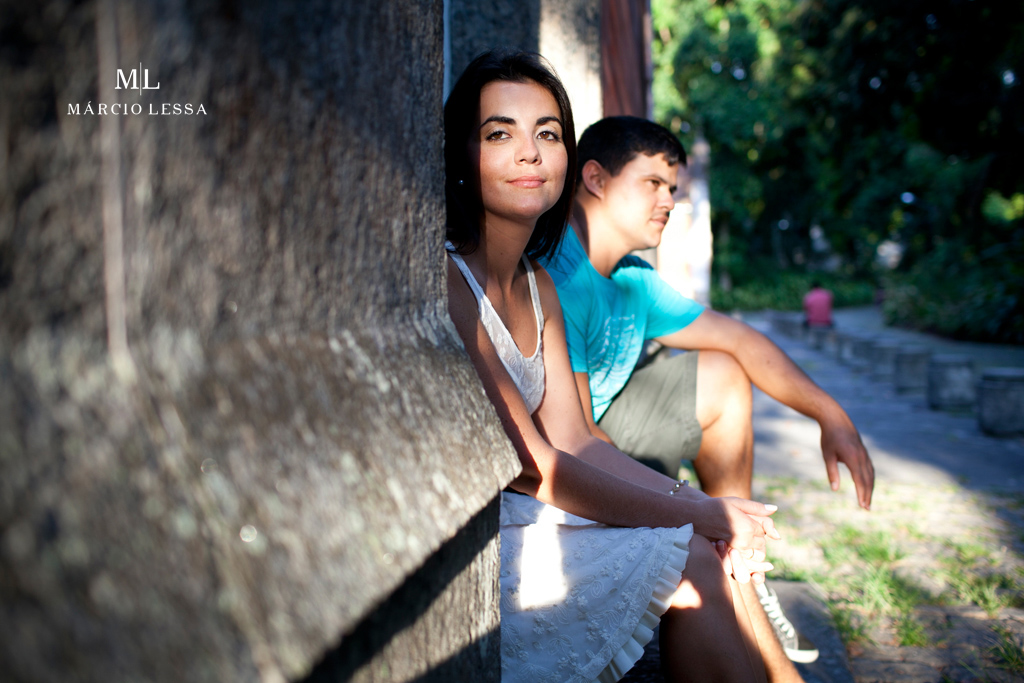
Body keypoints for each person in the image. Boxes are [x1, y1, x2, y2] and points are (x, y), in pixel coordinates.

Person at [444, 50, 805, 682]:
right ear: (461, 157)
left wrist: (700, 504)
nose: (530, 152)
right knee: (693, 554)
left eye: (547, 133)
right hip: (483, 538)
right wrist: (699, 512)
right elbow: (532, 464)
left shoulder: (537, 284)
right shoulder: (450, 278)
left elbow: (578, 437)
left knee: (710, 546)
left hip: (533, 506)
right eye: (500, 133)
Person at [538, 116, 876, 663]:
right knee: (698, 517)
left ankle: (748, 575)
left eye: (671, 187)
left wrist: (831, 415)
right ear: (595, 179)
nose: (667, 200)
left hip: (604, 426)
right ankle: (725, 543)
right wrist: (692, 508)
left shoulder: (632, 280)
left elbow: (741, 339)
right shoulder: (561, 276)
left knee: (722, 370)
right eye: (652, 183)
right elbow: (577, 435)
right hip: (567, 451)